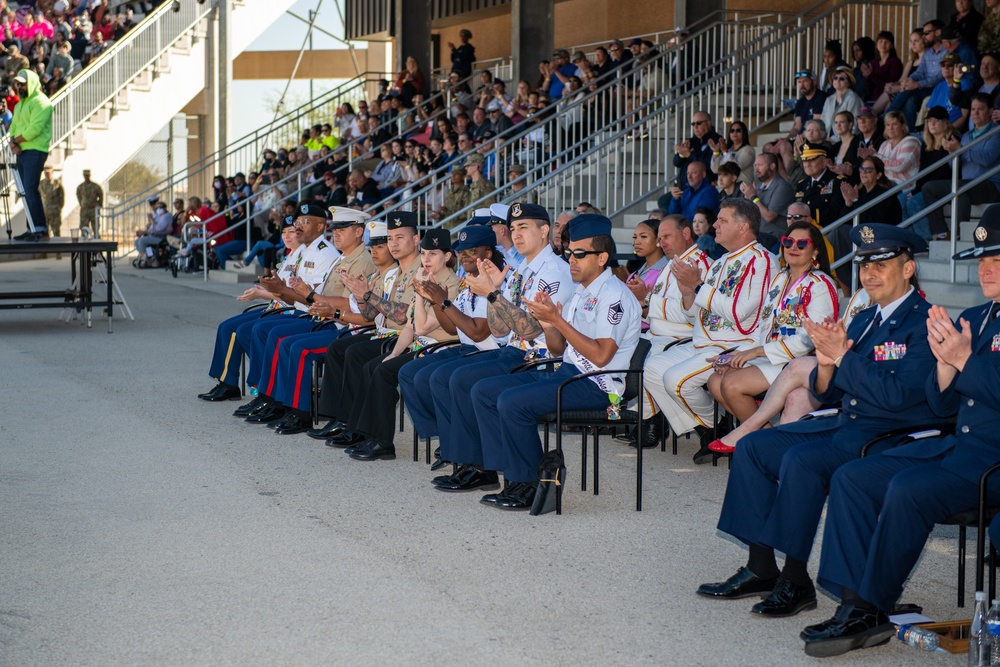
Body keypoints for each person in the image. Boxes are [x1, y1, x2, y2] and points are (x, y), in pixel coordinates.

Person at [697, 223, 933, 627]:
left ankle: (794, 580)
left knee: (801, 461)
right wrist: (826, 364)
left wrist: (842, 357)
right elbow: (827, 393)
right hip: (848, 422)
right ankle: (761, 568)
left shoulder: (924, 321)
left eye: (882, 265)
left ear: (908, 269)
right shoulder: (864, 320)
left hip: (889, 435)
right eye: (864, 265)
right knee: (754, 446)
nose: (869, 274)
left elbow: (898, 398)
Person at [802, 207, 1000, 658]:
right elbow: (942, 405)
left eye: (997, 260)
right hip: (960, 447)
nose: (985, 268)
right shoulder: (977, 315)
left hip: (992, 460)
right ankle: (855, 603)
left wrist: (965, 361)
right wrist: (948, 367)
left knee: (908, 489)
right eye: (983, 260)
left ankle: (873, 605)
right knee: (854, 476)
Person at [468, 214, 641, 510]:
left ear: (602, 258)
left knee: (512, 402)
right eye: (570, 253)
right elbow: (558, 348)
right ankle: (510, 474)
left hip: (598, 385)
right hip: (567, 372)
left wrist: (558, 320)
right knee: (484, 390)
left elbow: (601, 356)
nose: (572, 260)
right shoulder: (581, 292)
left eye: (580, 254)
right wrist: (550, 324)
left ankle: (531, 484)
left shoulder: (614, 296)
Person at [425, 203, 574, 490]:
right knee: (448, 376)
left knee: (469, 382)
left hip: (541, 357)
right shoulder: (522, 270)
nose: (516, 234)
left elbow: (531, 331)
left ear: (545, 231)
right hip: (515, 349)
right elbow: (500, 328)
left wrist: (493, 294)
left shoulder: (554, 271)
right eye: (513, 228)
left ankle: (496, 470)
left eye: (524, 227)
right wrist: (494, 291)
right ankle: (475, 464)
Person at [644, 199, 779, 462]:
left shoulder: (762, 260)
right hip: (703, 342)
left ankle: (716, 429)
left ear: (743, 227)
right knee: (650, 370)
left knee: (675, 380)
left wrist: (697, 287)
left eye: (722, 220)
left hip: (735, 344)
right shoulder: (721, 262)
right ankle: (709, 427)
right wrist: (687, 291)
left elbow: (741, 313)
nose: (714, 224)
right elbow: (695, 312)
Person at [239, 207, 377, 435]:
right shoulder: (342, 258)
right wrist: (282, 290)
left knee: (296, 347)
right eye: (336, 228)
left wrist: (309, 296)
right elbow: (313, 294)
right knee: (273, 334)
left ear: (359, 232)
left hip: (344, 326)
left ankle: (299, 412)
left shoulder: (361, 261)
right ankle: (274, 399)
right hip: (325, 318)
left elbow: (349, 303)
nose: (337, 233)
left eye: (343, 228)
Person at [337, 228, 461, 461]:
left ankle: (382, 442)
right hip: (419, 345)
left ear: (447, 256)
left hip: (441, 347)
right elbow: (410, 327)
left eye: (433, 254)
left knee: (383, 371)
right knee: (376, 365)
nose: (426, 259)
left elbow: (422, 327)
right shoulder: (425, 279)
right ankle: (367, 434)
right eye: (424, 254)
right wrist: (394, 353)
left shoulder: (450, 285)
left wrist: (423, 295)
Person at [398, 225, 507, 482]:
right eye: (461, 252)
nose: (465, 256)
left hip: (489, 351)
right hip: (468, 347)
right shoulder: (465, 280)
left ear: (488, 252)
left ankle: (477, 464)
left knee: (446, 378)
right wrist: (435, 299)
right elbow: (452, 327)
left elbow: (479, 333)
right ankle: (450, 441)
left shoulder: (489, 280)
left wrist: (443, 301)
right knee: (410, 373)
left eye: (472, 251)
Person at [706, 221, 838, 431]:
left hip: (797, 361)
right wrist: (735, 356)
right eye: (788, 242)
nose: (793, 247)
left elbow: (810, 338)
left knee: (731, 385)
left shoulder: (820, 284)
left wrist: (758, 351)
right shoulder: (780, 279)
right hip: (769, 356)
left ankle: (755, 438)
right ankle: (765, 433)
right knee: (715, 381)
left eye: (802, 243)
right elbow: (763, 327)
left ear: (815, 251)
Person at [313, 211, 423, 444]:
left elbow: (402, 316)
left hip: (408, 338)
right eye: (390, 238)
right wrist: (363, 297)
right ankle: (344, 420)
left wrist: (366, 295)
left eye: (399, 238)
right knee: (339, 348)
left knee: (357, 354)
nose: (393, 244)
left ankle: (363, 430)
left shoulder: (420, 270)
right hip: (386, 333)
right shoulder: (398, 270)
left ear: (415, 240)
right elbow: (371, 314)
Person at [197, 218, 306, 403]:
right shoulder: (290, 255)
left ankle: (254, 381)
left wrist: (261, 293)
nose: (287, 236)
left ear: (300, 233)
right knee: (225, 327)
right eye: (284, 232)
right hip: (276, 306)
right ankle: (227, 383)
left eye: (291, 232)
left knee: (241, 331)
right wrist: (262, 290)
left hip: (286, 310)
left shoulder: (304, 256)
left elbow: (294, 296)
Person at [627, 214, 711, 446]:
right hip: (657, 334)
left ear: (685, 233)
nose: (661, 243)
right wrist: (643, 300)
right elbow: (657, 306)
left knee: (646, 364)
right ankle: (650, 419)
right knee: (622, 353)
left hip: (680, 337)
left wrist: (647, 301)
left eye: (667, 236)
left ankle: (655, 422)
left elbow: (692, 315)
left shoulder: (699, 264)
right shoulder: (673, 264)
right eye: (660, 238)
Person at [922, 93, 1000, 240]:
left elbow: (986, 159)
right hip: (967, 184)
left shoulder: (996, 133)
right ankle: (942, 233)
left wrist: (961, 150)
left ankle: (958, 234)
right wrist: (953, 153)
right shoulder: (966, 136)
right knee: (929, 188)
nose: (975, 113)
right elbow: (954, 166)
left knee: (960, 190)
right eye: (973, 109)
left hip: (990, 186)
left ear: (990, 111)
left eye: (980, 109)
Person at [9, 69, 51, 240]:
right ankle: (31, 229)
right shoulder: (20, 105)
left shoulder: (41, 102)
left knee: (30, 189)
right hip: (21, 150)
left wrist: (16, 141)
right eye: (17, 84)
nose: (19, 87)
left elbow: (35, 129)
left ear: (31, 82)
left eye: (22, 83)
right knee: (24, 191)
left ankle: (40, 229)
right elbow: (13, 127)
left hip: (35, 150)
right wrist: (13, 143)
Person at [906, 106, 956, 240]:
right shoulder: (926, 143)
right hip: (927, 186)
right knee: (901, 199)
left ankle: (924, 241)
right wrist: (916, 189)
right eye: (929, 121)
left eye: (936, 120)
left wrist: (919, 190)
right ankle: (909, 241)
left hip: (944, 185)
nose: (932, 124)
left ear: (945, 122)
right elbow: (923, 170)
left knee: (914, 202)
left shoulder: (952, 140)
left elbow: (944, 171)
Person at [887, 20, 945, 131]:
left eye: (926, 33)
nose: (924, 36)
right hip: (925, 89)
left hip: (937, 89)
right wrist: (909, 80)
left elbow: (940, 77)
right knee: (911, 100)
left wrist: (917, 84)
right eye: (923, 34)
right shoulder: (928, 53)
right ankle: (911, 133)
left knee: (911, 90)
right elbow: (919, 72)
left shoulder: (946, 52)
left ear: (937, 33)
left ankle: (887, 114)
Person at [838, 156, 903, 226]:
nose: (864, 172)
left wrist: (855, 200)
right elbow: (843, 223)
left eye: (868, 169)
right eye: (861, 169)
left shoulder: (885, 195)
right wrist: (848, 203)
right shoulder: (860, 192)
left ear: (878, 175)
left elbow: (871, 223)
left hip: (881, 234)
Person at [741, 153, 794, 238]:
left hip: (775, 238)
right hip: (759, 235)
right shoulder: (757, 187)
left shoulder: (783, 187)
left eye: (760, 165)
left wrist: (753, 198)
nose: (756, 169)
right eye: (755, 165)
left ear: (772, 166)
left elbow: (769, 217)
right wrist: (747, 199)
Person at [673, 111, 722, 183]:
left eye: (698, 123)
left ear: (708, 123)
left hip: (701, 187)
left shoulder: (717, 141)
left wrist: (689, 155)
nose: (695, 127)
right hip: (681, 187)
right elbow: (676, 163)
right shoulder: (692, 141)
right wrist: (681, 154)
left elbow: (709, 165)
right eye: (693, 124)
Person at [820, 66, 862, 139]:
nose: (837, 80)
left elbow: (854, 126)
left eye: (841, 78)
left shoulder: (853, 98)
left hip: (846, 141)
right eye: (835, 78)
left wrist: (834, 140)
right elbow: (822, 122)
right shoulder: (829, 99)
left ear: (849, 82)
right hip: (827, 140)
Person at [76, 168, 103, 234]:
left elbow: (101, 196)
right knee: (84, 230)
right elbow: (78, 196)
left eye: (87, 175)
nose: (86, 177)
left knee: (95, 229)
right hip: (84, 211)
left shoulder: (96, 186)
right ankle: (84, 243)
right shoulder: (80, 187)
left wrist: (99, 205)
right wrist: (82, 203)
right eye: (85, 175)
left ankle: (96, 242)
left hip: (93, 210)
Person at [39, 165, 63, 238]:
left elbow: (62, 198)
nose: (47, 174)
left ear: (52, 172)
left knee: (56, 232)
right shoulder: (41, 184)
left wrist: (58, 208)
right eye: (46, 173)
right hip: (44, 212)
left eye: (49, 173)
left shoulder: (57, 183)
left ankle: (58, 248)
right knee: (44, 233)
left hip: (54, 212)